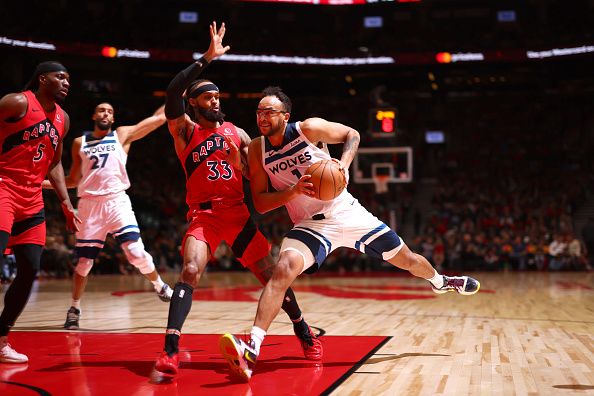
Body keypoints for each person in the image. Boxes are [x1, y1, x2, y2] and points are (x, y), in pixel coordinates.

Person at [219, 86, 481, 381]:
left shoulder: (309, 128)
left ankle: (441, 281)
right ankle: (251, 347)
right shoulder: (257, 149)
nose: (262, 117)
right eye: (259, 112)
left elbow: (352, 134)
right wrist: (292, 191)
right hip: (311, 223)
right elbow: (261, 203)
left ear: (285, 115)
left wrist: (342, 166)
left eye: (269, 111)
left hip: (345, 211)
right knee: (283, 269)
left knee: (407, 259)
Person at [154, 22, 321, 375]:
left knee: (272, 277)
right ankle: (170, 350)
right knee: (189, 270)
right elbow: (171, 92)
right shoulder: (185, 130)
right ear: (194, 103)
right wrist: (206, 59)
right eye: (209, 97)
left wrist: (241, 163)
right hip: (204, 216)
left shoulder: (240, 133)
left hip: (239, 215)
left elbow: (254, 177)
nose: (216, 101)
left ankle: (303, 329)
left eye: (217, 96)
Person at [42, 102, 173, 330]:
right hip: (89, 205)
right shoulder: (78, 143)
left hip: (116, 201)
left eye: (110, 111)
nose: (105, 113)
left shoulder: (121, 135)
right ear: (94, 115)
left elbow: (158, 118)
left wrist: (177, 93)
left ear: (113, 119)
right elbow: (72, 180)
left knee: (135, 254)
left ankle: (159, 285)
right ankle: (74, 308)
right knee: (83, 264)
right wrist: (39, 183)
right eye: (102, 110)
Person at [0, 61, 80, 363]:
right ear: (42, 78)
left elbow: (55, 163)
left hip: (32, 198)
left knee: (30, 269)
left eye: (69, 78)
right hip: (4, 187)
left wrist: (66, 204)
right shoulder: (18, 101)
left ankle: (2, 337)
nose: (66, 82)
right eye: (61, 76)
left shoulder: (63, 119)